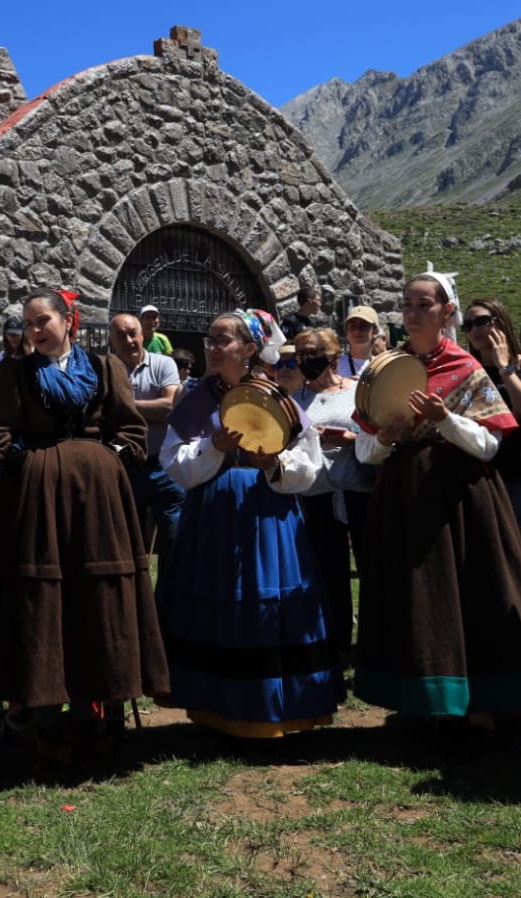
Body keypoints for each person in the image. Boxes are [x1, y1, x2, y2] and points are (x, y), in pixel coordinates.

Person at [353, 273, 521, 725]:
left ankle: (477, 703)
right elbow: (364, 447)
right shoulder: (386, 368)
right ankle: (419, 699)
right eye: (407, 305)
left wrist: (445, 418)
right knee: (413, 594)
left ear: (446, 312)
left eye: (423, 305)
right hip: (402, 493)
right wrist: (385, 438)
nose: (412, 314)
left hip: (459, 498)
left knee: (466, 593)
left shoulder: (466, 368)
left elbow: (490, 445)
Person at [0, 290, 168, 768]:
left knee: (95, 598)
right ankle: (45, 721)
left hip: (97, 502)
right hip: (36, 502)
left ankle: (92, 715)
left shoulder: (105, 369)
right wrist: (30, 462)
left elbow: (131, 431)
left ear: (68, 321)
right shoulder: (12, 374)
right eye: (28, 324)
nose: (35, 330)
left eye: (42, 321)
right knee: (42, 602)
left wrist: (108, 459)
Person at [156, 311, 336, 738]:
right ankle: (214, 707)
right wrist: (213, 448)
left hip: (268, 516)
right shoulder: (197, 398)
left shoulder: (276, 396)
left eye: (224, 341)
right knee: (216, 601)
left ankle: (272, 709)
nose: (214, 349)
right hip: (212, 514)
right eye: (211, 341)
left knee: (264, 604)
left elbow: (309, 466)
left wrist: (275, 463)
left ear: (250, 349)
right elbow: (172, 461)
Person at [293, 327, 372, 655]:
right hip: (318, 495)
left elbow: (376, 434)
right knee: (329, 572)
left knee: (370, 568)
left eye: (313, 354)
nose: (306, 360)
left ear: (334, 356)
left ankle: (373, 643)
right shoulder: (297, 399)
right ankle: (336, 643)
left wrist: (350, 440)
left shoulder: (357, 393)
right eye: (300, 355)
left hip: (358, 491)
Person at [461, 297, 521, 563]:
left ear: (501, 321)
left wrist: (504, 368)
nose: (475, 328)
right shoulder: (466, 372)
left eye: (482, 321)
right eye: (469, 324)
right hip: (480, 476)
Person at [108, 313, 184, 553]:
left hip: (164, 467)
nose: (128, 340)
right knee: (129, 544)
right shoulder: (106, 370)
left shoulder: (164, 364)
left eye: (132, 334)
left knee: (173, 542)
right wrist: (148, 408)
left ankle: (169, 592)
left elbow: (168, 408)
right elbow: (102, 416)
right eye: (121, 335)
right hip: (125, 469)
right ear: (112, 340)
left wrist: (123, 404)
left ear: (142, 335)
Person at [338, 305, 380, 378]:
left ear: (375, 331)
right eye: (352, 326)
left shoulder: (381, 366)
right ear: (346, 331)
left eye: (363, 326)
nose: (357, 331)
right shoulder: (335, 365)